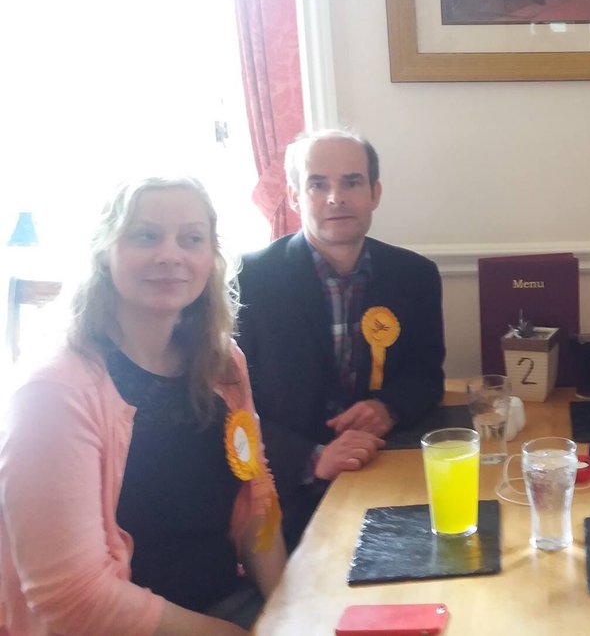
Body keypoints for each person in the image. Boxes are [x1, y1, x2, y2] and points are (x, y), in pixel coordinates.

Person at [0, 177, 284, 635]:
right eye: (147, 236)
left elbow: (257, 500)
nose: (170, 255)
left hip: (224, 605)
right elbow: (73, 598)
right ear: (104, 251)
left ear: (211, 257)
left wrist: (292, 612)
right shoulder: (52, 391)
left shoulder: (222, 362)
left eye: (191, 239)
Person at [236, 129, 446, 550]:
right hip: (287, 491)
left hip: (388, 471)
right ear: (294, 197)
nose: (336, 198)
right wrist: (312, 458)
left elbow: (427, 375)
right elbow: (233, 409)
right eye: (318, 184)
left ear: (375, 193)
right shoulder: (249, 280)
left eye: (352, 182)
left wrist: (389, 407)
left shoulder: (416, 275)